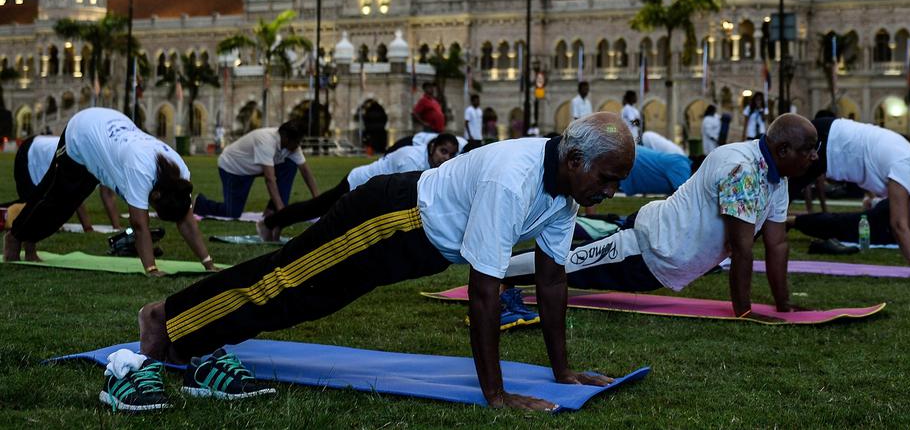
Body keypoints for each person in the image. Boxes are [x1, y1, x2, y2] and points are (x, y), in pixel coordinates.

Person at [104, 113, 635, 413]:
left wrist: (563, 370)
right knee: (285, 284)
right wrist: (495, 396)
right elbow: (483, 293)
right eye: (607, 179)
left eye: (616, 183)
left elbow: (552, 283)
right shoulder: (514, 178)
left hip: (413, 243)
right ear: (573, 161)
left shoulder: (565, 196)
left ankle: (192, 338)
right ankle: (165, 318)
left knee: (306, 300)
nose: (609, 192)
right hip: (390, 218)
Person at [503, 114, 818, 321]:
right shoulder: (743, 169)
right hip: (648, 247)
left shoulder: (777, 179)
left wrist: (783, 303)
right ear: (783, 150)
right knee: (566, 265)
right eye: (809, 150)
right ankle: (500, 270)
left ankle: (503, 268)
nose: (814, 157)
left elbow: (777, 243)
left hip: (664, 257)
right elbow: (742, 247)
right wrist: (744, 311)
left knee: (567, 262)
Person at [3, 108, 214, 275]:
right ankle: (15, 237)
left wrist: (208, 264)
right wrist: (151, 269)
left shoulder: (180, 176)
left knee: (66, 207)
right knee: (53, 198)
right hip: (82, 134)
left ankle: (29, 242)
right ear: (156, 195)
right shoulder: (140, 170)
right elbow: (140, 226)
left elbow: (186, 221)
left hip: (103, 141)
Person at [788, 118, 910, 280]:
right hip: (826, 139)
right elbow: (899, 225)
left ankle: (773, 227)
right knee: (781, 194)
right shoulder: (905, 167)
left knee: (781, 195)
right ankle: (770, 231)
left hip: (829, 142)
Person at [262, 134, 459, 235]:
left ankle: (277, 222)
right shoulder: (412, 160)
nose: (446, 158)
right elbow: (402, 198)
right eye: (443, 151)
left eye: (451, 154)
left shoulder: (430, 164)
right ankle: (270, 222)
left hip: (372, 190)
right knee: (318, 210)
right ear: (432, 147)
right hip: (357, 183)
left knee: (321, 211)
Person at [6, 134, 123, 255]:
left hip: (48, 149)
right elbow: (74, 195)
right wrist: (88, 228)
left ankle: (29, 244)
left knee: (45, 202)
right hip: (30, 152)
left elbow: (108, 193)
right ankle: (16, 240)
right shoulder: (83, 156)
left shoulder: (107, 158)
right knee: (35, 201)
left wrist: (116, 227)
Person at [193, 121, 322, 220]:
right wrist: (282, 212)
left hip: (254, 167)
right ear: (287, 139)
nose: (299, 146)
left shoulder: (290, 146)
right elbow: (270, 180)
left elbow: (305, 171)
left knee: (291, 165)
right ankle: (201, 203)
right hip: (233, 168)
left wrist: (319, 201)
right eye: (298, 142)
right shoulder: (266, 141)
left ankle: (272, 210)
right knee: (232, 213)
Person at [618, 145, 692, 195]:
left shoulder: (681, 162)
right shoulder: (682, 166)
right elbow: (683, 196)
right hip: (630, 160)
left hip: (630, 156)